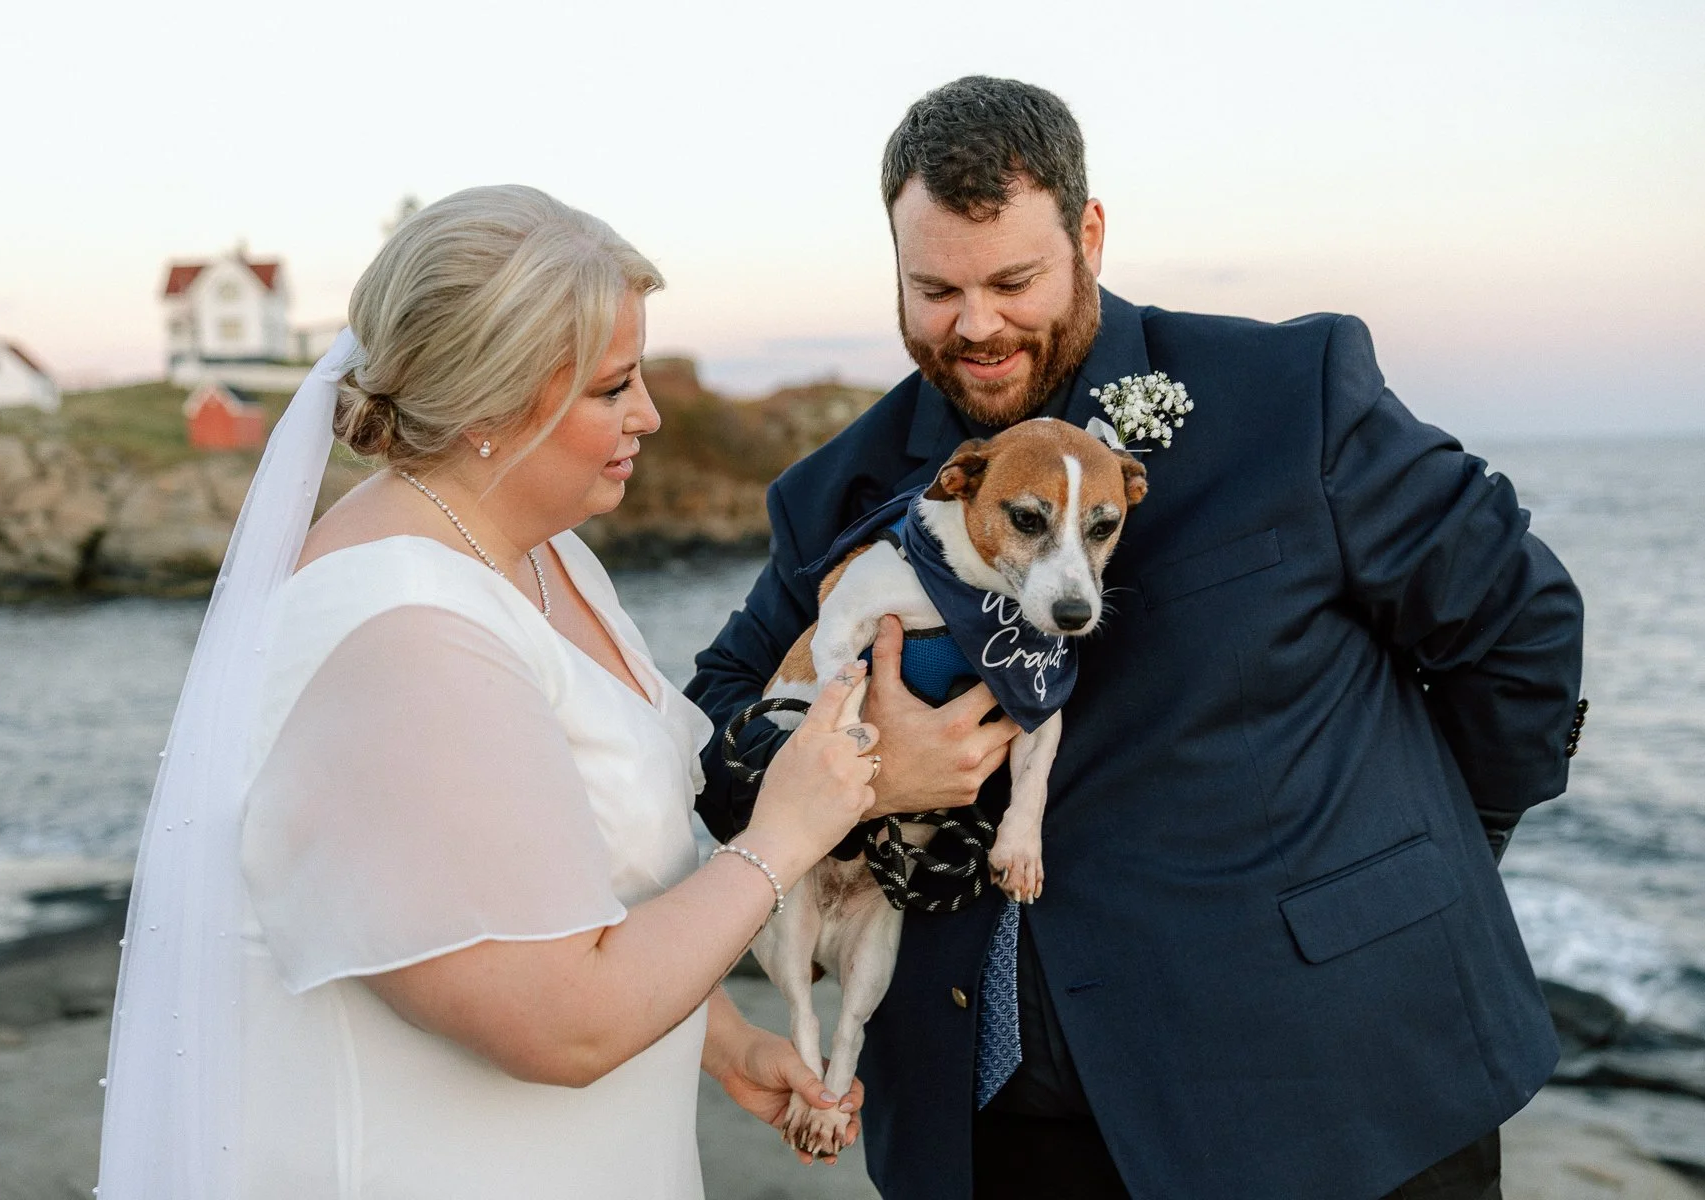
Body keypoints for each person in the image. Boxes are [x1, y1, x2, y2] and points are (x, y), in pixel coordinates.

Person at [686, 77, 1586, 1200]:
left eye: (1013, 280)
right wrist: (861, 778)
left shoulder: (1288, 394)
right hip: (995, 1130)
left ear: (1089, 236)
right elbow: (715, 708)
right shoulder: (840, 490)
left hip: (1334, 1086)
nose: (976, 326)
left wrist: (1461, 834)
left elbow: (1518, 621)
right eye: (934, 290)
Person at [97, 185, 876, 1199]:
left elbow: (546, 906)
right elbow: (560, 1018)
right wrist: (785, 837)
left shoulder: (540, 554)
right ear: (492, 409)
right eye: (613, 387)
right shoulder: (405, 635)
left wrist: (720, 1042)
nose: (647, 414)